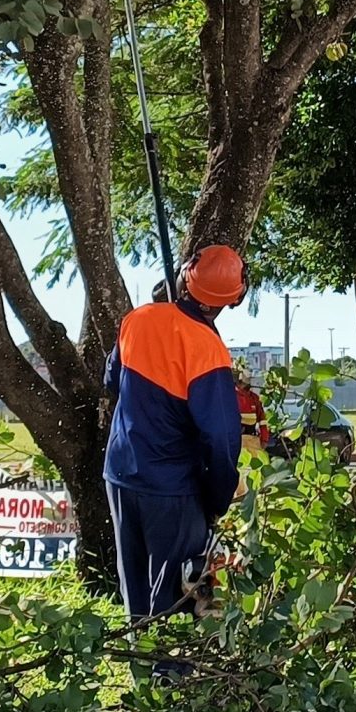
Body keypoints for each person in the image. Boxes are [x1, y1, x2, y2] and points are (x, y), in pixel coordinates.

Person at [104, 244, 247, 626]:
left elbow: (112, 380)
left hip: (120, 473)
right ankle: (170, 679)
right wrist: (218, 496)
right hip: (172, 488)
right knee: (174, 596)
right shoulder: (208, 349)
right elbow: (221, 440)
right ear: (230, 300)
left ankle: (142, 674)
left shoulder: (137, 319)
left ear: (185, 276)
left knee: (135, 587)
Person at [235, 362, 272, 460]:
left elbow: (262, 420)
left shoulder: (254, 398)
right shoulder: (231, 396)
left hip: (252, 439)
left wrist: (264, 439)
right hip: (236, 440)